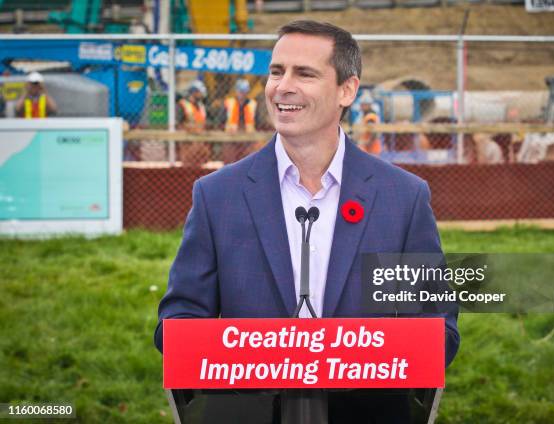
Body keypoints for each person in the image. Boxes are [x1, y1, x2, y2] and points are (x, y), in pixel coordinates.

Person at [155, 20, 459, 422]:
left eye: (305, 73)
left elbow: (438, 326)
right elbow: (177, 322)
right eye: (276, 71)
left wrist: (360, 358)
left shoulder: (402, 198)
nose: (282, 86)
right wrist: (256, 356)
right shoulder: (217, 196)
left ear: (346, 90)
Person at [176, 79, 210, 166]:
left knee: (201, 166)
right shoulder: (183, 105)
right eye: (199, 93)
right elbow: (179, 124)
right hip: (188, 142)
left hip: (201, 141)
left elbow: (205, 123)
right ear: (194, 92)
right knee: (188, 165)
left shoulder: (202, 106)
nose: (202, 95)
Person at [354, 90, 382, 155]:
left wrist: (367, 143)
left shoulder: (370, 116)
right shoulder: (365, 115)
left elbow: (373, 132)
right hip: (367, 149)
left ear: (367, 105)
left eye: (362, 104)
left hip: (371, 150)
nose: (361, 106)